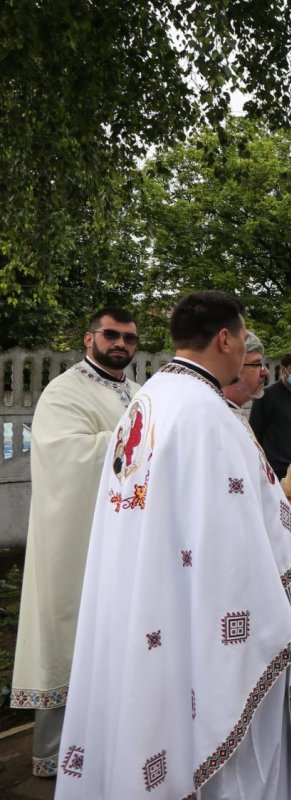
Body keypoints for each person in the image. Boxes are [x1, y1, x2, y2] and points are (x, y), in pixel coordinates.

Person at [56, 291, 291, 798]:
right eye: (242, 338)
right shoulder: (205, 413)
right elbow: (232, 536)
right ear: (225, 338)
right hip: (198, 617)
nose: (244, 352)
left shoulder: (149, 399)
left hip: (144, 596)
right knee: (225, 752)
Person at [13, 308, 141, 778]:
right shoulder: (64, 392)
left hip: (124, 538)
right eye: (111, 335)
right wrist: (137, 437)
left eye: (129, 337)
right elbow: (66, 456)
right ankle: (60, 755)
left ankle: (114, 746)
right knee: (69, 635)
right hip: (76, 540)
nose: (121, 343)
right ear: (89, 338)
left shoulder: (135, 391)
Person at [249, 351, 291, 502]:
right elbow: (255, 432)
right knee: (279, 515)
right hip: (278, 469)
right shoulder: (266, 396)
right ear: (283, 369)